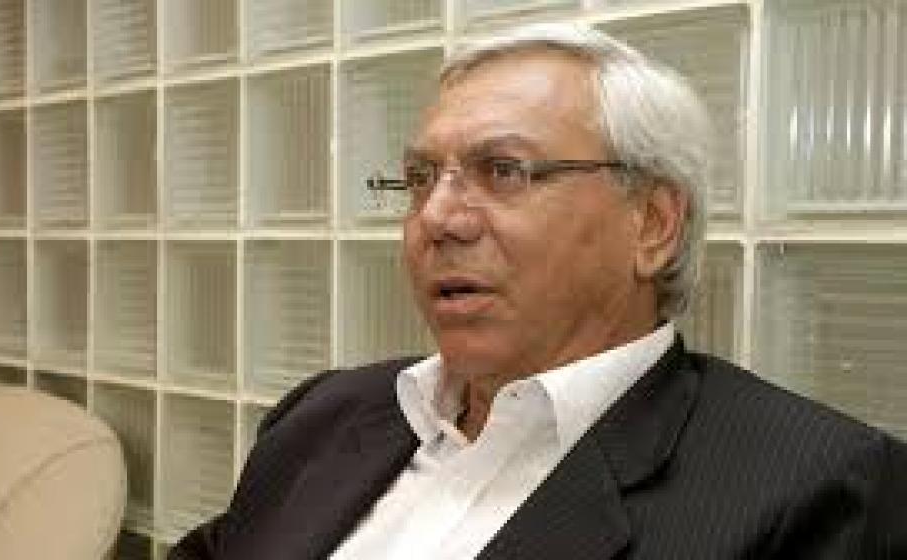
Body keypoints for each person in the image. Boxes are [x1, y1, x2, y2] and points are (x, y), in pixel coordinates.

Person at [170, 23, 907, 559]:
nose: (437, 218)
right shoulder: (325, 413)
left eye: (504, 171)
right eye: (421, 178)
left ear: (652, 224)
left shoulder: (819, 490)